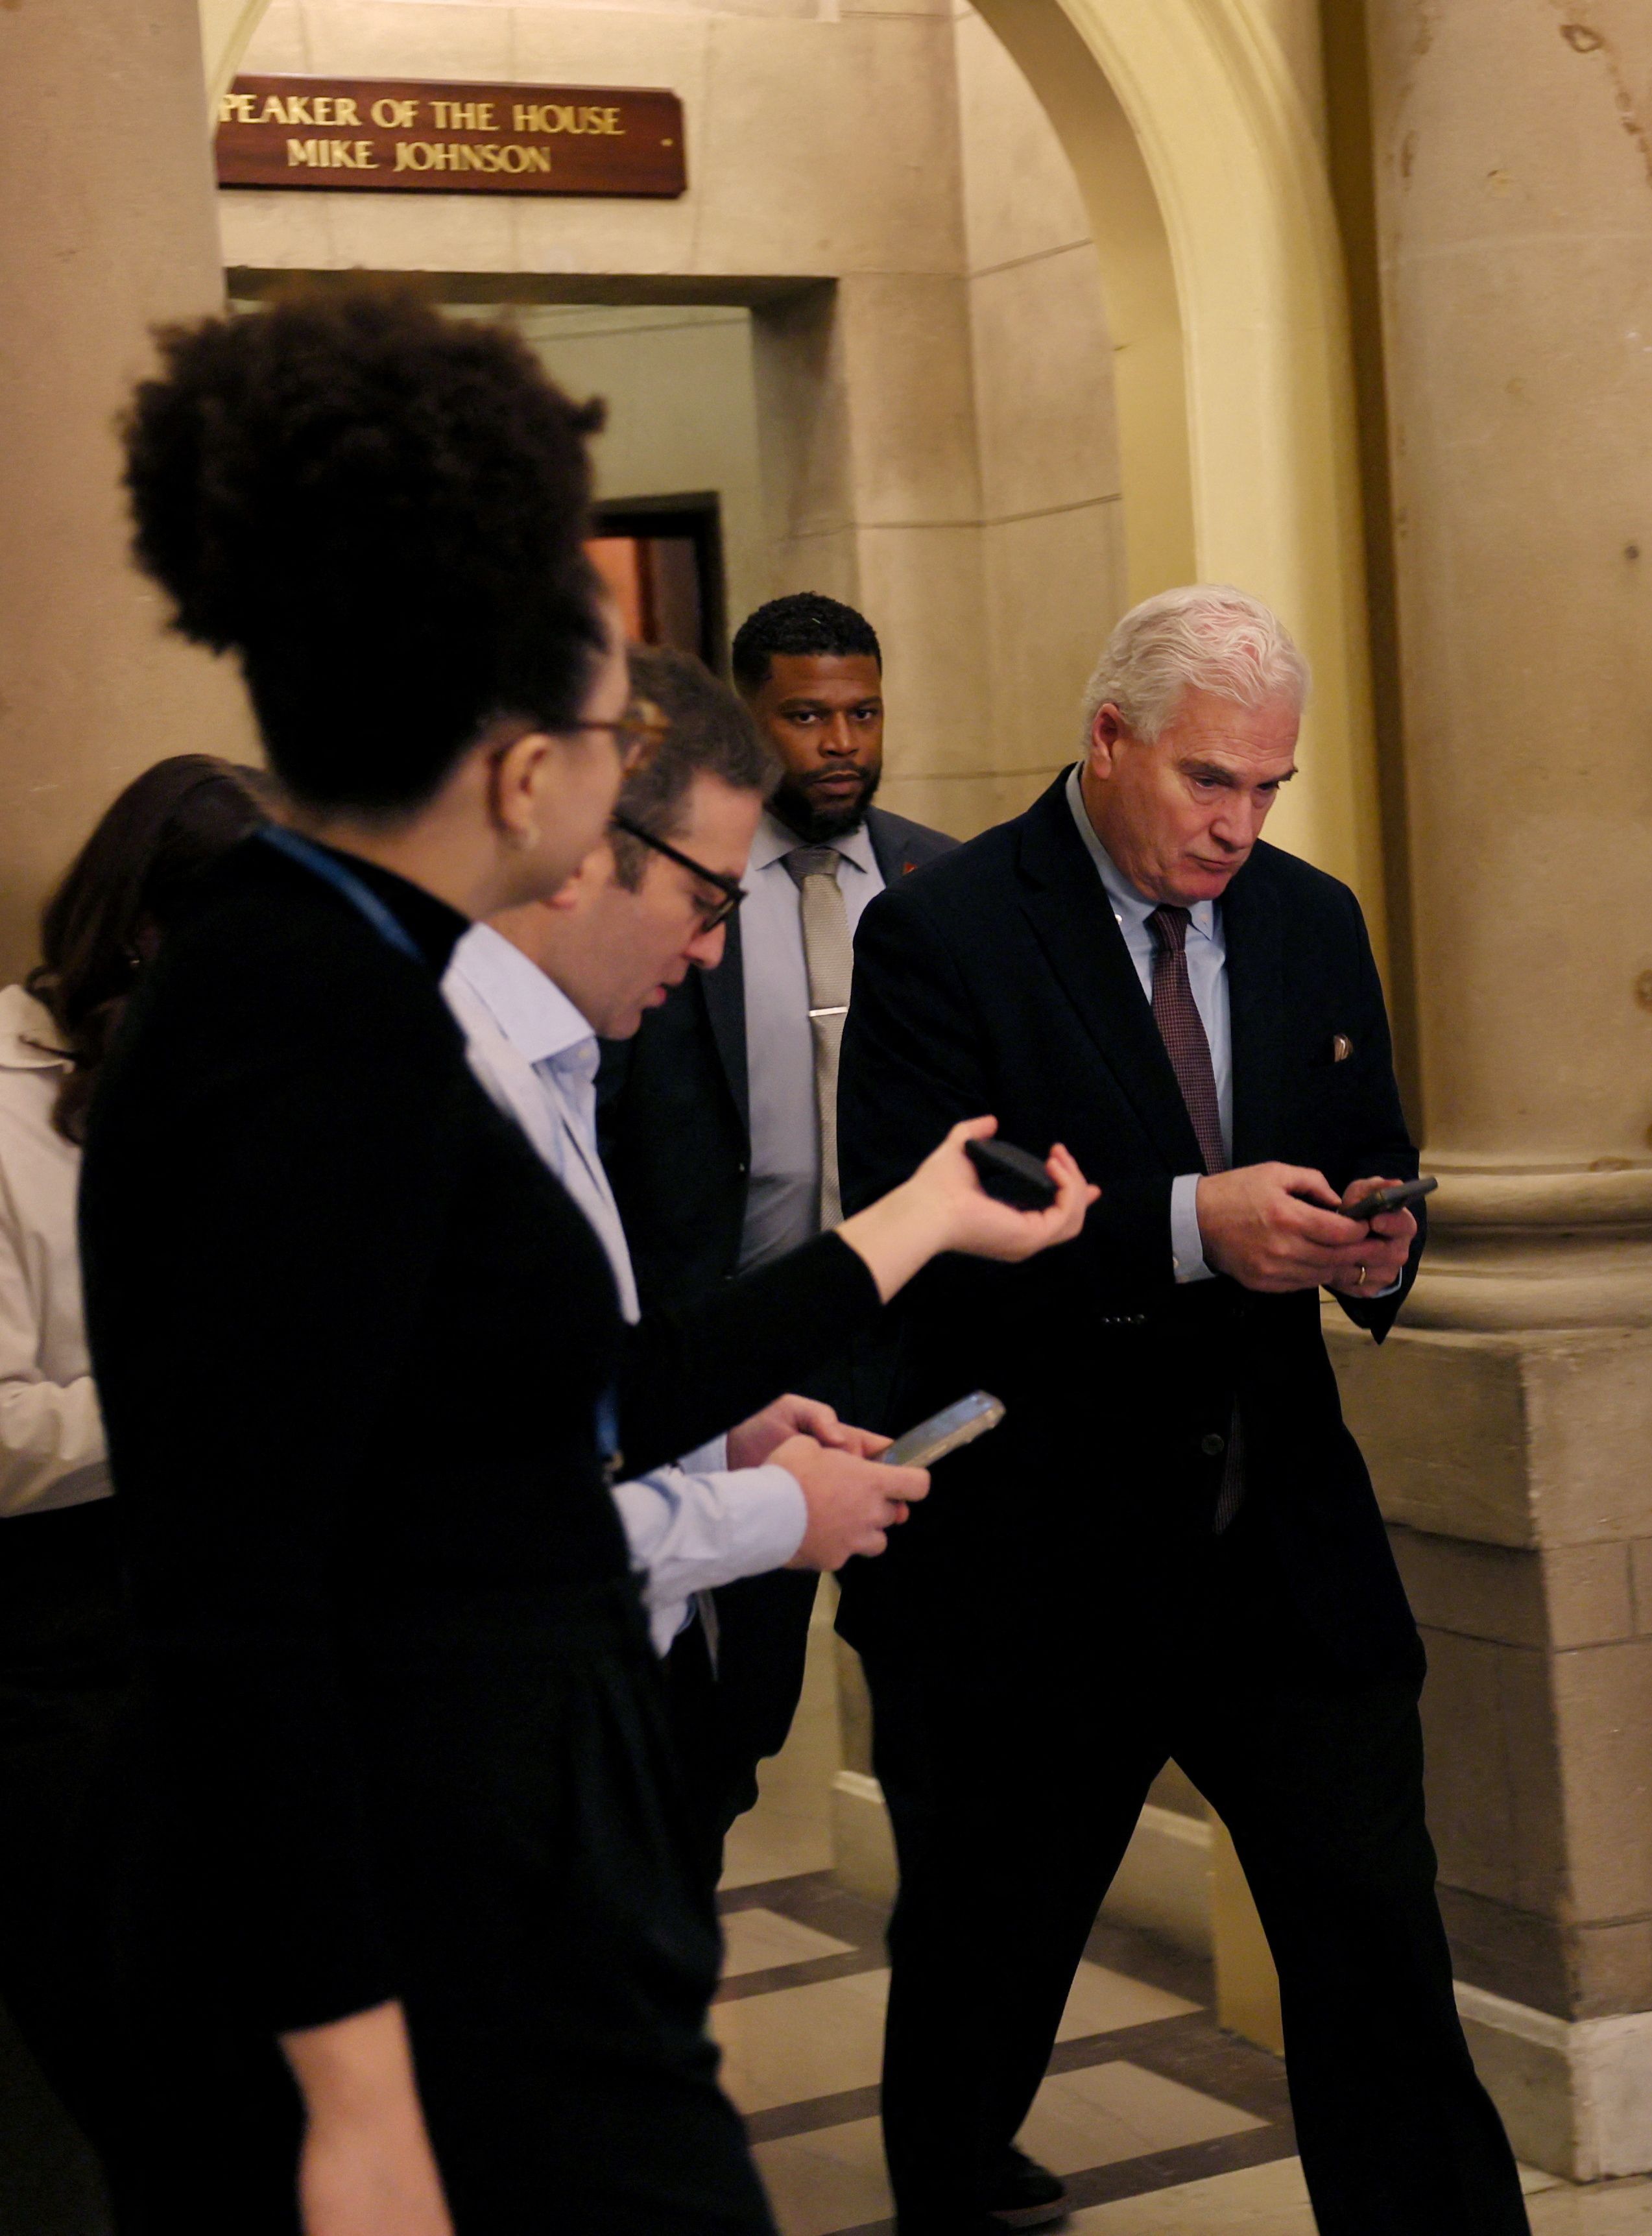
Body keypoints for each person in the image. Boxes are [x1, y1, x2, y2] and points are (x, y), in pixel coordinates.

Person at [81, 282, 1088, 2235]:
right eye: (612, 731)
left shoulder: (344, 973)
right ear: (524, 765)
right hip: (430, 1940)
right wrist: (357, 2099)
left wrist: (771, 1375)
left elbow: (507, 1414)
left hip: (505, 1883)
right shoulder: (304, 1019)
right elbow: (247, 1596)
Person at [835, 584, 1527, 2236]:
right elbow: (921, 1246)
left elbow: (1365, 1157)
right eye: (1209, 779)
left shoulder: (1308, 919)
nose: (1239, 823)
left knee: (1377, 1949)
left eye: (1269, 784)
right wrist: (1185, 1225)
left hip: (1276, 1534)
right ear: (1107, 738)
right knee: (986, 1963)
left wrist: (1377, 1247)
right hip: (1037, 1552)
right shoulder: (946, 932)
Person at [448, 645, 1035, 1797]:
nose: (716, 944)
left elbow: (569, 1390)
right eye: (706, 898)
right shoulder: (442, 1081)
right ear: (581, 853)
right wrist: (769, 1510)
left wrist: (721, 1436)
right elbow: (476, 1511)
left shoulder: (555, 1049)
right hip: (481, 1732)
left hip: (587, 1686)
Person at [598, 590, 957, 1897]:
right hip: (737, 1359)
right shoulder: (672, 892)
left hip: (908, 1351)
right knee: (730, 1716)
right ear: (748, 722)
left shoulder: (942, 883)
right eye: (807, 716)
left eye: (863, 712)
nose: (842, 741)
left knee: (948, 1706)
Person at [0, 755, 265, 2207]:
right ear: (152, 933)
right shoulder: (3, 1104)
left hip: (231, 1626)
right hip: (61, 1646)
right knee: (139, 2089)